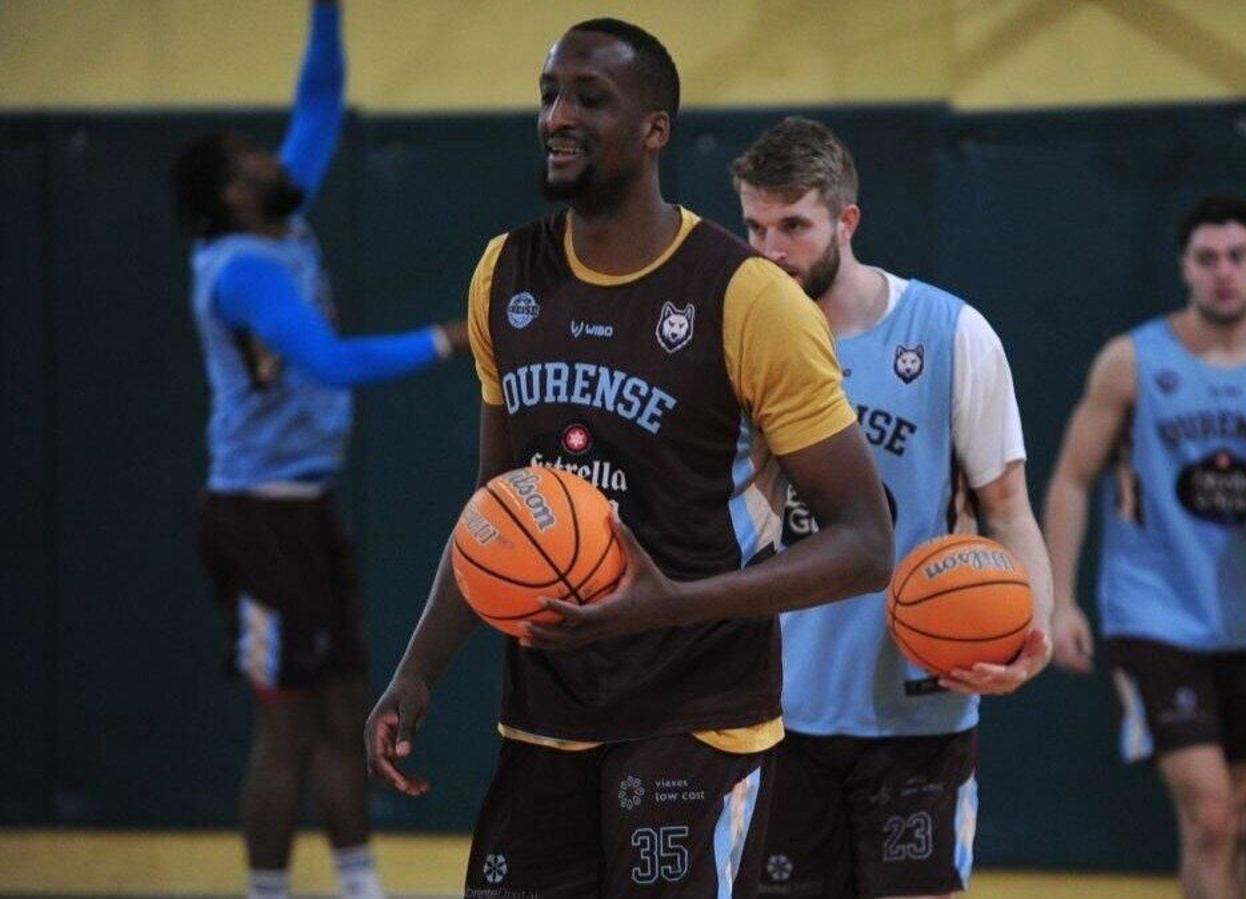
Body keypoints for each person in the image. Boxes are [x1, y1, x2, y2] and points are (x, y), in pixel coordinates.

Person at [363, 20, 893, 898]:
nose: (557, 116)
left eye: (588, 98)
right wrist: (417, 672)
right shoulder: (505, 274)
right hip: (544, 713)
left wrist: (673, 604)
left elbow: (867, 542)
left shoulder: (748, 298)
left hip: (699, 716)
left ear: (656, 129)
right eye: (548, 95)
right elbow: (493, 508)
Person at [171, 3, 470, 898]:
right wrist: (452, 339)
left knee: (348, 714)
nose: (278, 156)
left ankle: (359, 888)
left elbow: (322, 96)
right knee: (288, 728)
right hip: (255, 518)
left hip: (307, 511)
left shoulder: (279, 220)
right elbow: (333, 364)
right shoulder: (242, 269)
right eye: (255, 158)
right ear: (232, 192)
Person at [729, 116, 1053, 898]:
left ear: (847, 221)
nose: (771, 249)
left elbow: (1007, 505)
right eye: (755, 227)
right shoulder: (734, 340)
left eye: (795, 226)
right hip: (773, 711)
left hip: (917, 704)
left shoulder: (951, 334)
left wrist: (1028, 631)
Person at [1044, 196, 1246, 898]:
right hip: (1153, 614)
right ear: (1185, 267)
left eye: (1237, 256)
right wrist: (1059, 602)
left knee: (1230, 821)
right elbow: (1072, 481)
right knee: (1209, 816)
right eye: (1207, 258)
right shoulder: (1132, 361)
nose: (1223, 272)